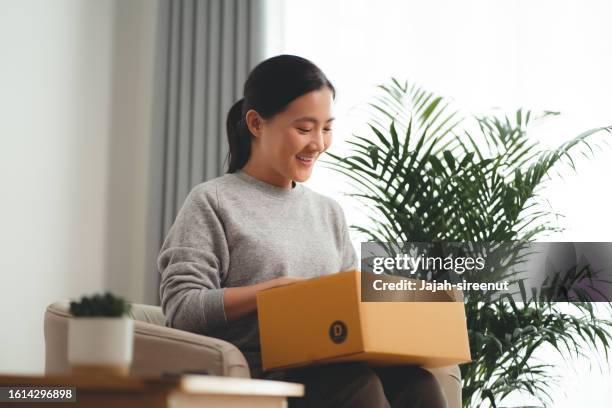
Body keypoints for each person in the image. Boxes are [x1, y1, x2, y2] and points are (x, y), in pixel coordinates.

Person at [158, 54, 447, 408]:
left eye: (326, 128)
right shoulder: (212, 201)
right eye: (304, 129)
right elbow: (181, 307)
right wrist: (271, 293)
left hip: (331, 364)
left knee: (418, 383)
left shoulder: (328, 212)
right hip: (264, 375)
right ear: (256, 124)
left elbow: (350, 315)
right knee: (357, 385)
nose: (319, 143)